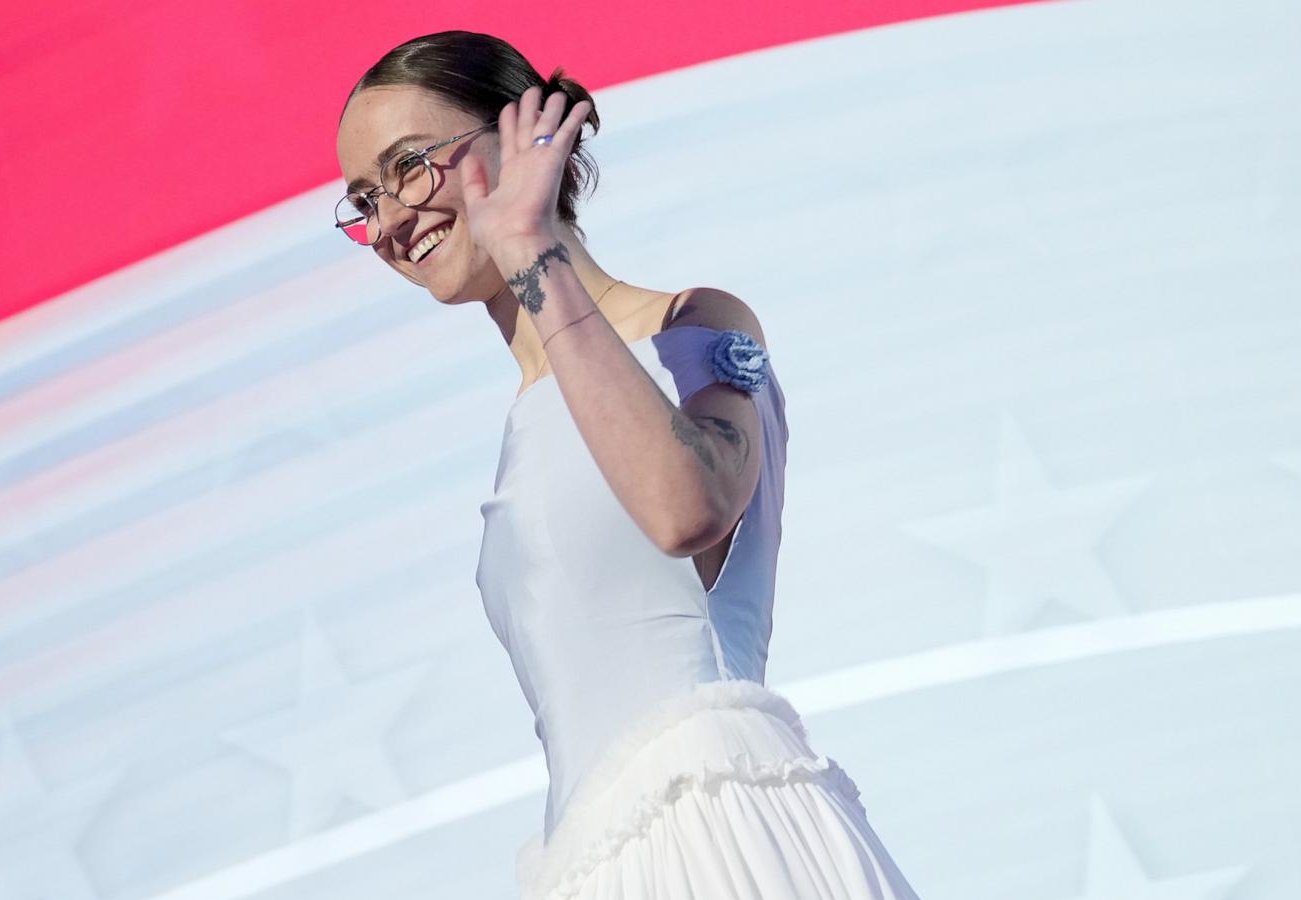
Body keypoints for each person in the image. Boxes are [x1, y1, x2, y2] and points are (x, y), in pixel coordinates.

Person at [335, 30, 923, 900]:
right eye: (362, 199)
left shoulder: (689, 330)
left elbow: (686, 504)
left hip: (720, 835)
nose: (388, 220)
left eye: (409, 167)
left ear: (523, 132)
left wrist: (529, 248)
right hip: (601, 857)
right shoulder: (525, 422)